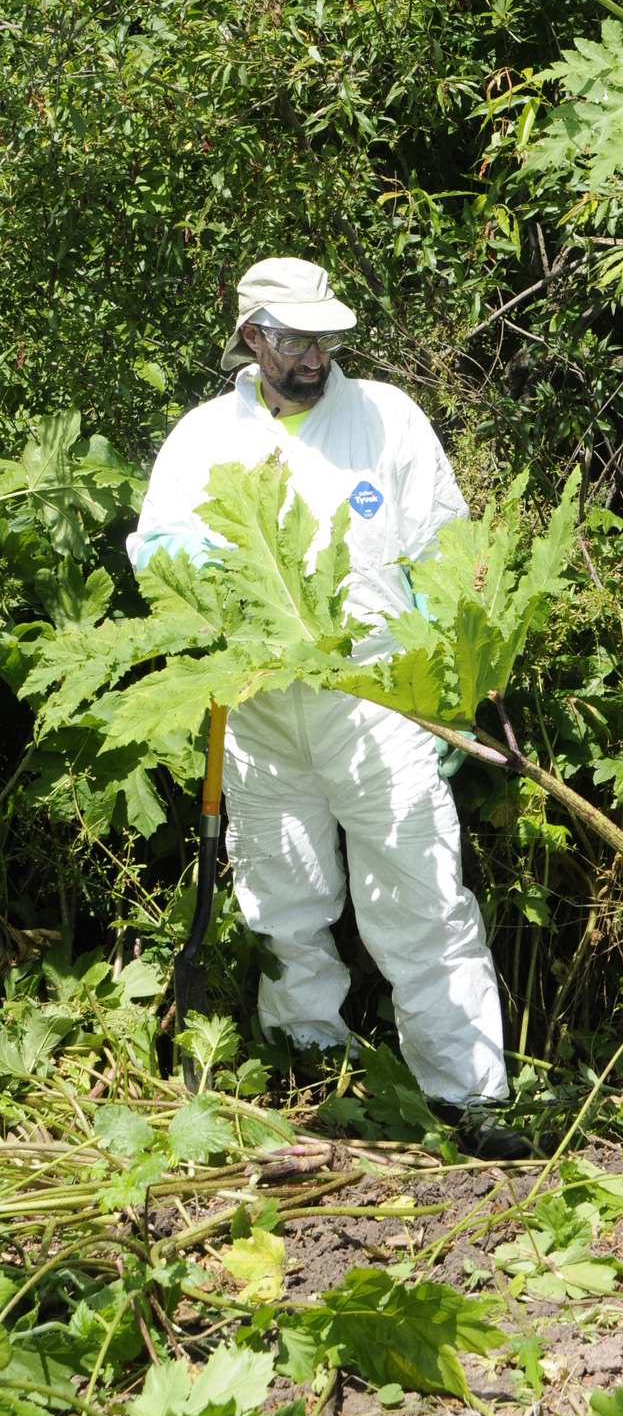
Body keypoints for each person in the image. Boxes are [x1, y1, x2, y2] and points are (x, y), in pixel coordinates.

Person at [127, 257, 529, 1159]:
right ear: (252, 337)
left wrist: (452, 697)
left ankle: (471, 1099)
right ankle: (315, 1082)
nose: (316, 355)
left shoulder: (386, 417)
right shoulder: (199, 438)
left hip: (380, 703)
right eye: (297, 338)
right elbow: (153, 553)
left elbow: (446, 546)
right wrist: (189, 566)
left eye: (327, 338)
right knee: (281, 898)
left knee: (422, 897)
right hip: (261, 714)